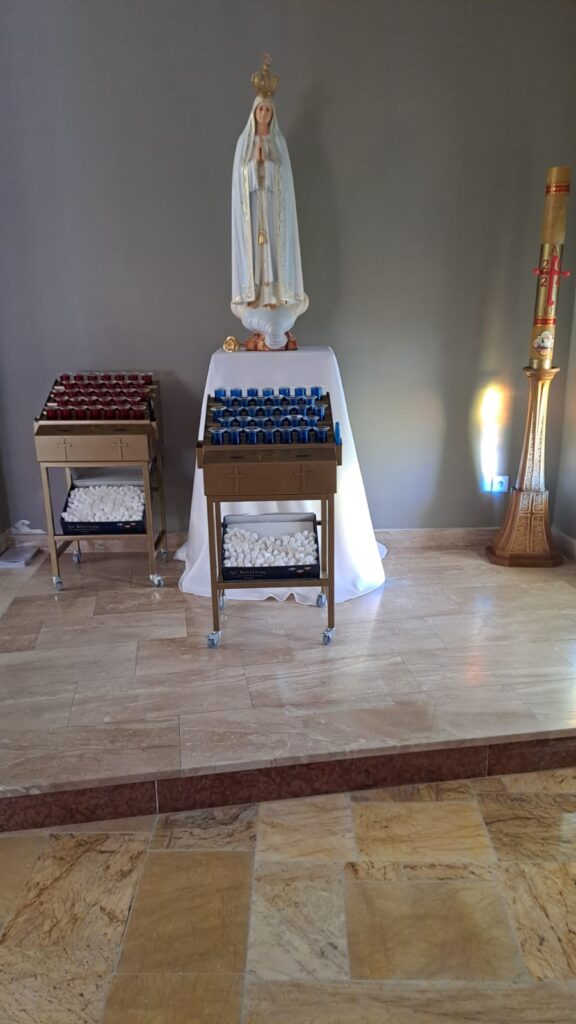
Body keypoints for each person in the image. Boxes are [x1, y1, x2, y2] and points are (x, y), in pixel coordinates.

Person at [231, 60, 308, 349]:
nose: (263, 113)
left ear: (272, 114)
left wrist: (270, 165)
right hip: (254, 209)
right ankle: (257, 297)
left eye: (267, 110)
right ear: (254, 113)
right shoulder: (244, 142)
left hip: (273, 210)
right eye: (260, 109)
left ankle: (275, 296)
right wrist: (254, 165)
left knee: (274, 249)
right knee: (256, 251)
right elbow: (240, 181)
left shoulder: (278, 142)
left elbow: (284, 180)